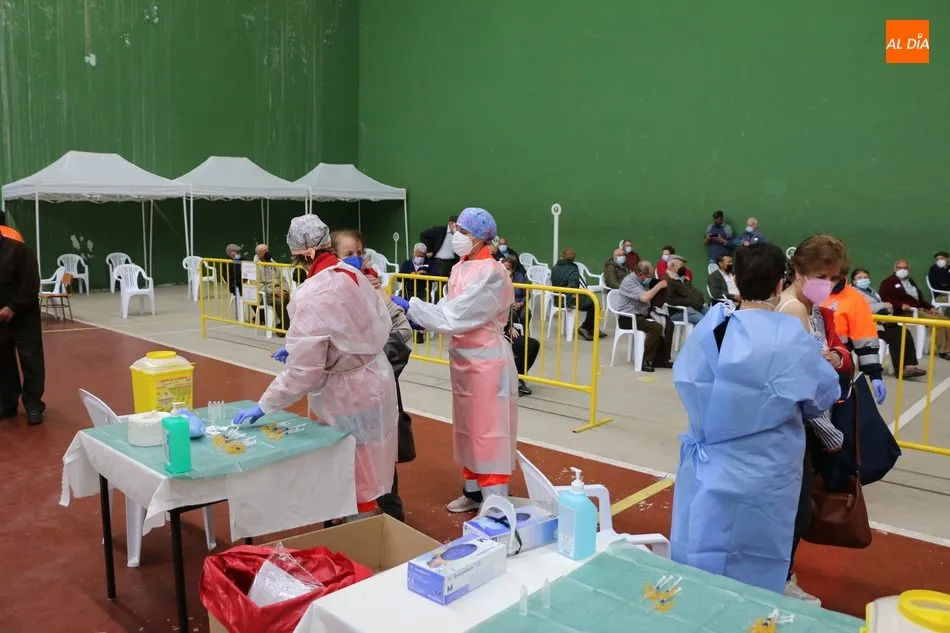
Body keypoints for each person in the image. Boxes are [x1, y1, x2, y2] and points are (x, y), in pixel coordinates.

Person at [670, 243, 841, 596]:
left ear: (735, 278)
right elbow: (822, 392)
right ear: (780, 283)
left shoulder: (712, 328)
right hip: (769, 470)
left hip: (713, 465)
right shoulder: (793, 338)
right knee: (759, 558)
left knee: (704, 549)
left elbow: (687, 381)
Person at [232, 214, 398, 520]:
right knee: (368, 460)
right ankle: (365, 525)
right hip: (375, 377)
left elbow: (303, 371)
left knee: (352, 469)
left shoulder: (312, 292)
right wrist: (307, 345)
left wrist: (265, 404)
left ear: (299, 253)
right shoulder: (352, 275)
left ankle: (361, 534)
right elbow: (369, 323)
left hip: (348, 392)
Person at [392, 207, 517, 513]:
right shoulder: (461, 267)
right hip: (464, 360)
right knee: (468, 430)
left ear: (480, 237)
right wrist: (420, 316)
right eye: (456, 230)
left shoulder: (491, 273)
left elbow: (456, 315)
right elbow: (447, 307)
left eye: (463, 231)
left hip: (487, 362)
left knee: (489, 433)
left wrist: (412, 308)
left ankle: (496, 503)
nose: (456, 236)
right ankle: (473, 492)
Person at [777, 234, 857, 604]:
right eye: (821, 276)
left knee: (798, 510)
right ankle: (778, 579)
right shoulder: (792, 310)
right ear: (798, 270)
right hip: (796, 425)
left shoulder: (816, 311)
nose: (828, 284)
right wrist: (829, 433)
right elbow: (799, 384)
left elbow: (836, 350)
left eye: (835, 278)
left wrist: (838, 358)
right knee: (792, 513)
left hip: (810, 424)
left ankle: (780, 574)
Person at [331, 230, 413, 522]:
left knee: (382, 447)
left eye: (359, 253)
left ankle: (390, 512)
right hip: (345, 392)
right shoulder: (328, 291)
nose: (356, 259)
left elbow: (402, 331)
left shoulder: (374, 287)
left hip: (378, 384)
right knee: (349, 450)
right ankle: (349, 512)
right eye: (348, 254)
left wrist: (377, 363)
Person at [0, 233, 44, 424]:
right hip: (1, 319)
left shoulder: (18, 251)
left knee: (31, 361)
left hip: (24, 316)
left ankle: (33, 405)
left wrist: (12, 307)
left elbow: (31, 284)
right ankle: (7, 404)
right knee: (3, 363)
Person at [849, 268, 926, 378]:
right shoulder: (852, 292)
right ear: (853, 280)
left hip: (881, 322)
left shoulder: (872, 291)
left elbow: (881, 306)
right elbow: (862, 308)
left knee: (904, 332)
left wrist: (887, 308)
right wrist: (883, 305)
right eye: (859, 278)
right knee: (895, 335)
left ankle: (909, 366)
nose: (863, 280)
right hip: (867, 326)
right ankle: (900, 369)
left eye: (865, 277)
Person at [824, 269, 891, 385]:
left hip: (837, 368)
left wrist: (875, 375)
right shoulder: (801, 294)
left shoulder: (854, 298)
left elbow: (865, 340)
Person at [879, 260, 950, 360]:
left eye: (905, 268)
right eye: (899, 268)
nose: (902, 270)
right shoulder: (888, 282)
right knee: (937, 322)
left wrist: (930, 307)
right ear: (894, 269)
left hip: (919, 309)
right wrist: (900, 305)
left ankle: (948, 349)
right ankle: (943, 351)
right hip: (906, 312)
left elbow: (919, 299)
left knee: (945, 319)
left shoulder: (910, 281)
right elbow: (883, 298)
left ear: (909, 269)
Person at [616, 261, 673, 372]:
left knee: (667, 323)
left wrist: (669, 273)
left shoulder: (642, 280)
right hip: (628, 317)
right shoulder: (629, 281)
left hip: (642, 314)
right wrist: (658, 286)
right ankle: (646, 360)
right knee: (656, 327)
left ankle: (661, 360)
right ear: (641, 274)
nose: (650, 279)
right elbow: (644, 298)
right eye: (649, 276)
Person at [550, 248, 605, 341]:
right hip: (568, 299)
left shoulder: (554, 268)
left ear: (561, 256)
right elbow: (571, 288)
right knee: (594, 303)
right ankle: (586, 328)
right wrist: (569, 304)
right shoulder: (573, 270)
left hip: (557, 298)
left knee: (591, 301)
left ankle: (592, 328)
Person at [502, 255, 537, 396]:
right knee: (525, 345)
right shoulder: (493, 290)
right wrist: (508, 326)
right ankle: (513, 379)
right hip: (494, 335)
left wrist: (510, 325)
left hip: (506, 327)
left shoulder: (516, 281)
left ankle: (517, 378)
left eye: (509, 270)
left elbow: (525, 295)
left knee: (533, 344)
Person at [664, 255, 707, 325]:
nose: (684, 268)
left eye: (684, 266)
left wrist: (699, 299)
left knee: (713, 314)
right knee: (705, 322)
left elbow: (694, 293)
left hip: (695, 308)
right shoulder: (667, 280)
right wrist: (690, 302)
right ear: (672, 265)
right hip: (679, 312)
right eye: (681, 265)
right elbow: (670, 300)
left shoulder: (684, 279)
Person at [255, 244, 289, 331]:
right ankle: (285, 328)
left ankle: (284, 325)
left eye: (268, 250)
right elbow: (258, 285)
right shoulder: (255, 266)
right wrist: (273, 291)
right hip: (265, 293)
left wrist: (284, 290)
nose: (268, 252)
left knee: (290, 299)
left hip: (279, 288)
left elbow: (283, 278)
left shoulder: (273, 263)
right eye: (265, 251)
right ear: (259, 254)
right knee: (279, 301)